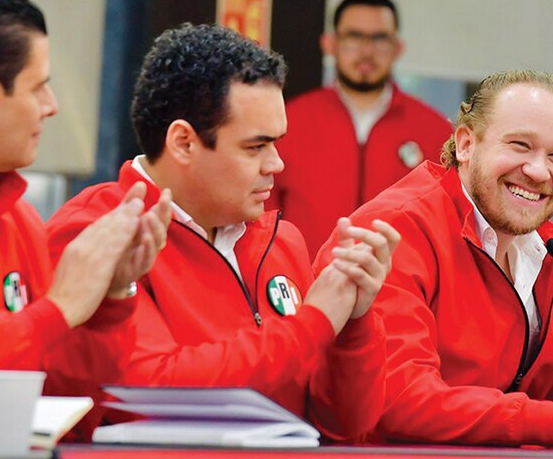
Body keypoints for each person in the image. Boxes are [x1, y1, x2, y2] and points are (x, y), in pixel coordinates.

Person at [46, 24, 399, 440]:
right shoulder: (93, 230)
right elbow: (147, 390)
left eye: (277, 143)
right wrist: (315, 322)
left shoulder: (281, 240)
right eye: (256, 147)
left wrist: (354, 323)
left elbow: (345, 427)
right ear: (183, 143)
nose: (276, 165)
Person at [310, 69, 553, 448]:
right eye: (519, 145)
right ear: (465, 144)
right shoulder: (394, 231)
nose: (538, 170)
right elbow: (398, 398)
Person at [0, 0, 170, 430]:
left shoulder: (19, 221)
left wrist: (111, 298)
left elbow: (66, 405)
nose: (51, 106)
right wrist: (56, 310)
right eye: (37, 88)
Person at [271, 0, 452, 253]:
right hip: (307, 287)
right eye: (354, 37)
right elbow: (264, 221)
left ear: (397, 48)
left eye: (380, 38)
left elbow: (446, 226)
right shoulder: (287, 122)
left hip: (401, 289)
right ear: (329, 44)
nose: (367, 51)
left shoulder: (435, 130)